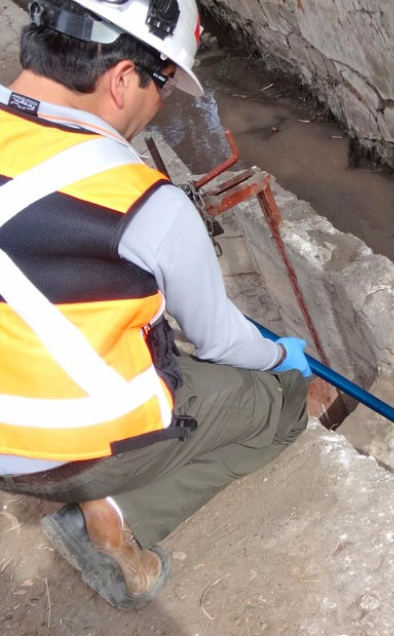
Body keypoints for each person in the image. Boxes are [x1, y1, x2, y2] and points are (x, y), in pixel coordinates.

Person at [0, 0, 313, 610]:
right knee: (279, 407)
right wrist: (283, 354)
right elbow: (220, 341)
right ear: (122, 79)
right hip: (64, 450)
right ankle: (116, 517)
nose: (164, 101)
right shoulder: (144, 202)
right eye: (164, 80)